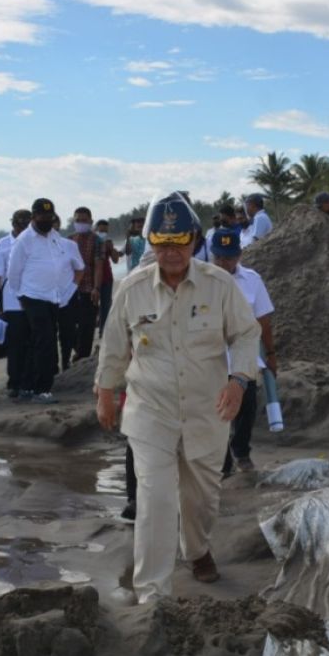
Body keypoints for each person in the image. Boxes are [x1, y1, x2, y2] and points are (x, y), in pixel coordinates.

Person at [95, 193, 260, 604]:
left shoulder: (219, 285)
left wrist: (239, 381)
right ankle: (152, 593)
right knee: (155, 498)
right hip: (151, 409)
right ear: (150, 241)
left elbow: (246, 334)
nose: (171, 252)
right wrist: (105, 394)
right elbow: (113, 347)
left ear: (195, 241)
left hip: (208, 409)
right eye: (162, 243)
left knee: (201, 496)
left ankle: (197, 549)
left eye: (180, 242)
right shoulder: (132, 290)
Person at [208, 227, 278, 476]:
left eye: (229, 257)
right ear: (211, 255)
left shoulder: (252, 279)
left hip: (244, 357)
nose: (224, 263)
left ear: (238, 255)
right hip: (211, 359)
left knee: (246, 408)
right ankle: (222, 461)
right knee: (216, 412)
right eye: (219, 257)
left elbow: (264, 320)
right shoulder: (198, 281)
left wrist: (270, 354)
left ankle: (241, 451)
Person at [7, 198, 84, 404]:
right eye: (42, 216)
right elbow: (13, 273)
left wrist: (69, 290)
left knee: (38, 342)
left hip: (55, 298)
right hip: (33, 297)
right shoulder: (24, 240)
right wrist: (21, 296)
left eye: (49, 216)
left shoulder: (56, 238)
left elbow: (77, 267)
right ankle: (42, 390)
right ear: (34, 216)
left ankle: (26, 386)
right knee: (46, 342)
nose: (46, 220)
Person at [0, 209, 32, 399]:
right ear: (12, 224)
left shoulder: (38, 241)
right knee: (15, 346)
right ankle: (14, 383)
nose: (21, 228)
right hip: (13, 304)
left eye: (25, 224)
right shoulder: (3, 245)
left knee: (34, 345)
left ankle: (30, 382)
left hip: (36, 301)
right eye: (18, 224)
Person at [61, 206, 104, 367]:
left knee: (87, 325)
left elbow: (98, 265)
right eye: (77, 220)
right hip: (70, 290)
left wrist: (96, 288)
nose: (80, 223)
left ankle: (83, 357)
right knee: (68, 325)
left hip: (88, 289)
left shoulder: (97, 240)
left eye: (84, 221)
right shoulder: (68, 240)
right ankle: (77, 352)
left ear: (91, 222)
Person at [95, 219, 120, 339]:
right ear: (96, 229)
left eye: (105, 230)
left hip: (107, 278)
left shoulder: (109, 242)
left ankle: (103, 331)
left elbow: (115, 260)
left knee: (106, 305)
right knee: (93, 306)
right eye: (101, 230)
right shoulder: (93, 240)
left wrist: (111, 248)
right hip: (93, 279)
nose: (103, 232)